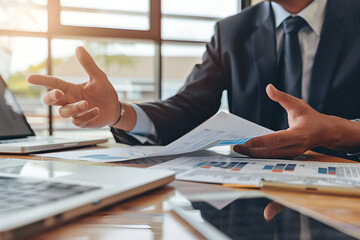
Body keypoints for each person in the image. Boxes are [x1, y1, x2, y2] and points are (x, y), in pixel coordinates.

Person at [27, 0, 360, 158]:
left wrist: (338, 130)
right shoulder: (231, 31)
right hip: (252, 193)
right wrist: (119, 113)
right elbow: (189, 108)